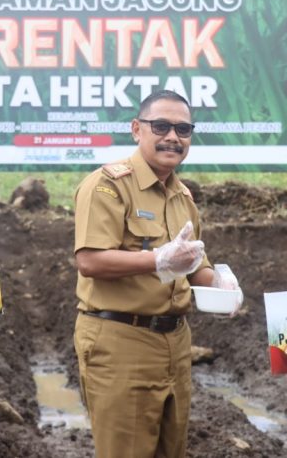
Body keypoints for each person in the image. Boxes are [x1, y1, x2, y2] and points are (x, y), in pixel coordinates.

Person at [72, 89, 241, 458]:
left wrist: (221, 284)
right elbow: (90, 260)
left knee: (171, 451)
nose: (172, 137)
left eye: (183, 129)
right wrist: (158, 260)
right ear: (137, 129)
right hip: (121, 340)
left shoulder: (182, 197)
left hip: (175, 343)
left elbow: (192, 261)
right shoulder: (108, 186)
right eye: (161, 126)